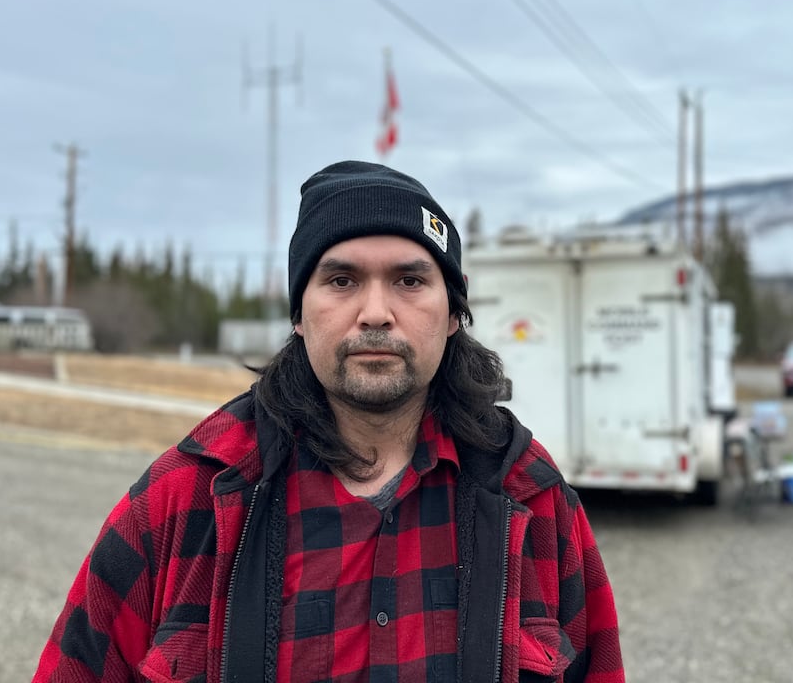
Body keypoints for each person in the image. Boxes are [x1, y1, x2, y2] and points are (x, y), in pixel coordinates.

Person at [31, 161, 625, 683]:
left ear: (452, 313)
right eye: (341, 280)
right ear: (299, 312)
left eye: (410, 280)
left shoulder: (530, 500)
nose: (374, 313)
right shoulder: (185, 502)